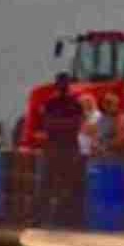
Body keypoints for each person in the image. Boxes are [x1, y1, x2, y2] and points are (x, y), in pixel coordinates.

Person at [37, 72, 86, 226]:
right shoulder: (52, 103)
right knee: (48, 183)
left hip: (66, 148)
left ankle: (67, 218)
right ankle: (45, 218)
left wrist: (58, 125)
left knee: (69, 184)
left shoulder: (74, 104)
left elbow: (75, 124)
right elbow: (48, 124)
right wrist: (65, 125)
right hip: (57, 148)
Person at [86, 91, 124, 158]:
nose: (105, 106)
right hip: (102, 154)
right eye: (106, 103)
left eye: (110, 103)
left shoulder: (122, 119)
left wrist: (103, 146)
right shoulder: (102, 117)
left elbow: (121, 140)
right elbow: (95, 134)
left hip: (116, 156)